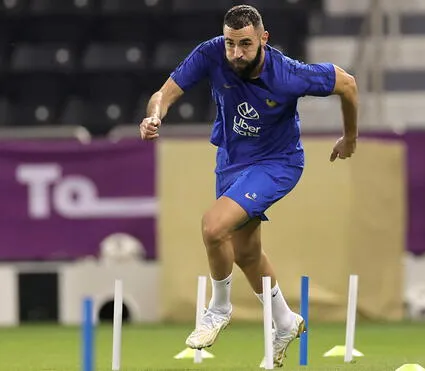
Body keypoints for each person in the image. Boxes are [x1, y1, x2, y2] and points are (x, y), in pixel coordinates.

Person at [139, 4, 358, 368]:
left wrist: (350, 137)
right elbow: (165, 93)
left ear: (263, 39)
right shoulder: (211, 52)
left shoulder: (289, 74)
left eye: (244, 44)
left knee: (213, 227)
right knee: (245, 253)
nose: (236, 53)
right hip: (230, 161)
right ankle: (286, 322)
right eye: (230, 44)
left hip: (277, 163)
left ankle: (218, 308)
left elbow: (347, 83)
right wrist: (154, 115)